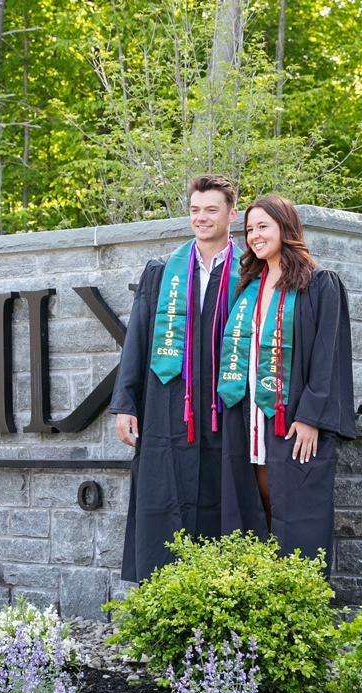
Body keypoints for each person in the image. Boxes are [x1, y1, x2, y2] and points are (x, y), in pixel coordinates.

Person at [110, 175, 243, 582]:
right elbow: (138, 341)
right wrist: (125, 404)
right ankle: (166, 597)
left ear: (231, 214)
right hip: (170, 407)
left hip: (229, 408)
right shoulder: (166, 273)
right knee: (166, 493)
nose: (201, 218)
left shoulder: (249, 272)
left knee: (226, 496)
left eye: (211, 210)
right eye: (195, 210)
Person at [216, 195, 356, 566]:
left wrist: (312, 416)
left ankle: (298, 594)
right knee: (255, 501)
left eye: (263, 226)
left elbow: (328, 357)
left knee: (296, 503)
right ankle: (257, 591)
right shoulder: (248, 288)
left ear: (286, 227)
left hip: (292, 415)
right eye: (248, 229)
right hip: (250, 416)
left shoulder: (319, 284)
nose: (254, 236)